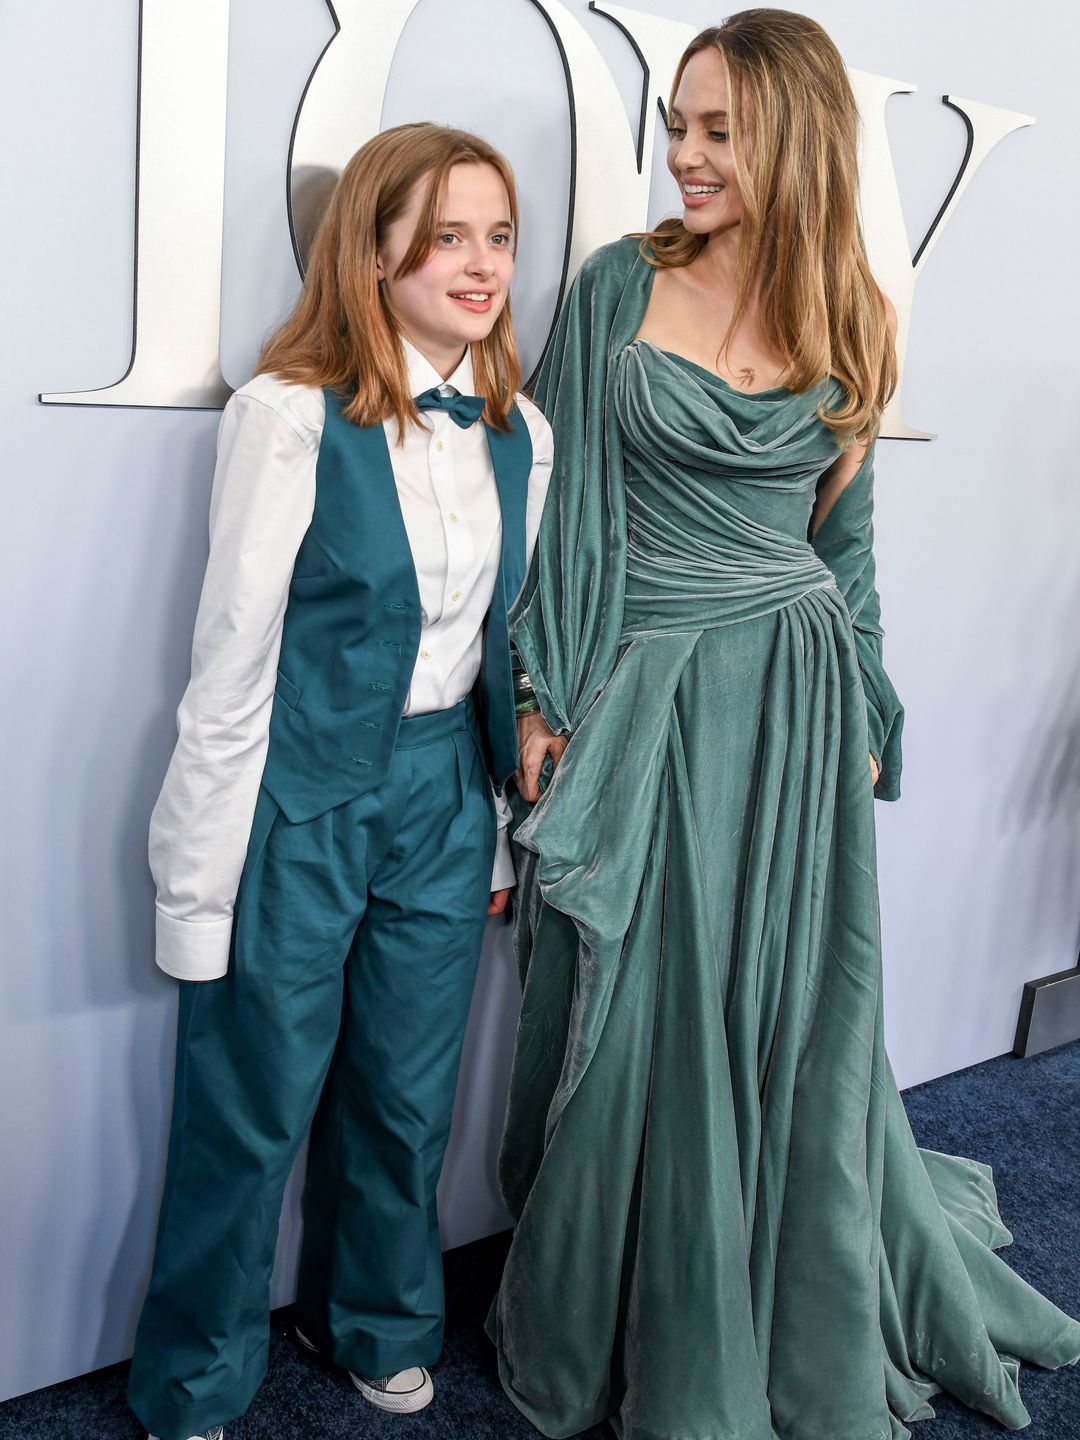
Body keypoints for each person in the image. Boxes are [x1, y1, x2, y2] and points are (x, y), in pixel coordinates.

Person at [489, 14, 1080, 1440]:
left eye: (718, 131)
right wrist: (542, 688)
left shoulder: (855, 313)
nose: (684, 155)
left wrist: (869, 698)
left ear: (796, 138)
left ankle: (779, 1274)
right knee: (634, 1008)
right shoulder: (620, 284)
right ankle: (641, 1293)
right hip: (649, 693)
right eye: (679, 126)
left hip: (793, 700)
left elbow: (846, 540)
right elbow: (566, 508)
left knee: (792, 1009)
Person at [126, 122, 552, 1440]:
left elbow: (498, 655)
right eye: (446, 232)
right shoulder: (287, 414)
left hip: (442, 799)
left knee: (408, 1097)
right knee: (251, 1105)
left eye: (498, 234)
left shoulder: (519, 428)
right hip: (299, 798)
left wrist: (488, 840)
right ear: (374, 252)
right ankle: (195, 1374)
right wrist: (193, 889)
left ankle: (373, 1317)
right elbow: (231, 669)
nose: (480, 263)